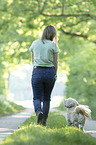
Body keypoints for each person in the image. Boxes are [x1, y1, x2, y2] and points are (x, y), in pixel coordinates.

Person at [29, 25, 59, 126]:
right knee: (46, 98)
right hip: (50, 72)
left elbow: (32, 60)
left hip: (37, 71)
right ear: (54, 34)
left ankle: (38, 113)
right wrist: (55, 74)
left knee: (36, 97)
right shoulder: (53, 45)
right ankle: (44, 121)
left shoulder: (35, 43)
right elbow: (56, 62)